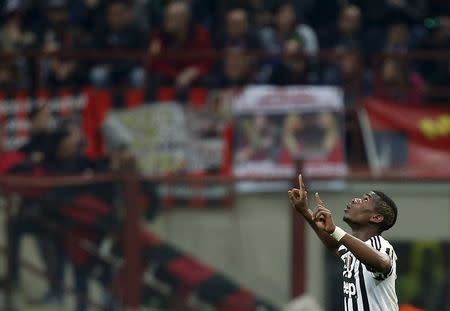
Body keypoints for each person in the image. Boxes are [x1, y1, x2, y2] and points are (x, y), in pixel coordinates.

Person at [288, 175, 399, 311]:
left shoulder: (379, 245)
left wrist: (335, 230)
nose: (355, 200)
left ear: (376, 217)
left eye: (365, 199)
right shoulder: (351, 252)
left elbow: (382, 262)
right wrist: (305, 210)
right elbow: (335, 246)